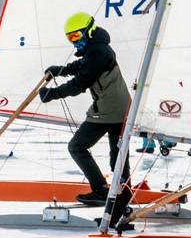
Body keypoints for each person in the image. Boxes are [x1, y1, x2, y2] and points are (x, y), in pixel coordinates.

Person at [37, 13, 132, 223]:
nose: (74, 41)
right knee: (117, 157)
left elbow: (80, 83)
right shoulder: (96, 48)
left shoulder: (99, 52)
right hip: (120, 109)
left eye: (76, 36)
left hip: (110, 110)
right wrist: (60, 70)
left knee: (77, 146)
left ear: (89, 31)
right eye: (70, 38)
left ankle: (104, 192)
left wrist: (53, 94)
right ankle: (119, 197)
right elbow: (82, 66)